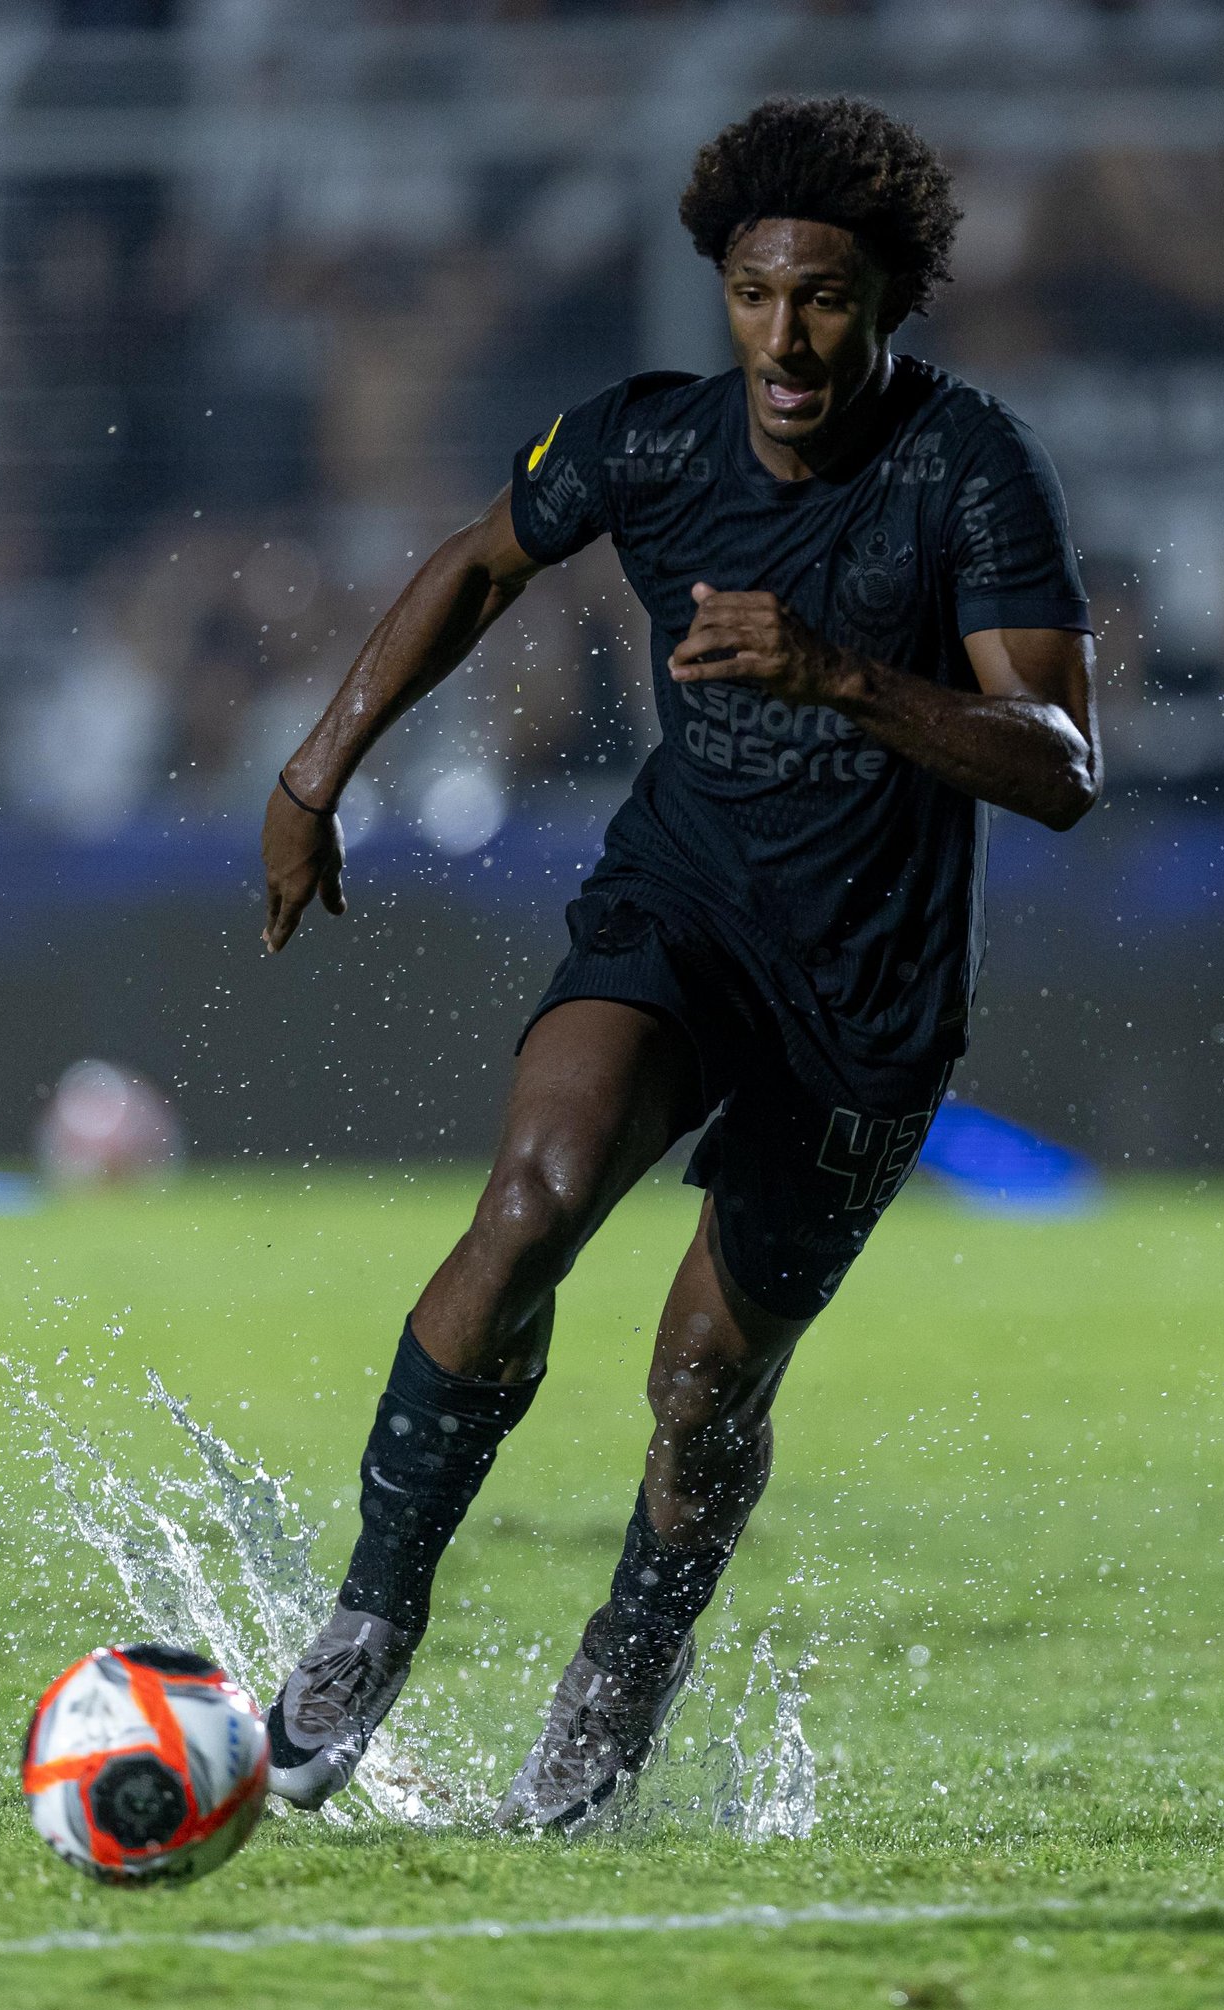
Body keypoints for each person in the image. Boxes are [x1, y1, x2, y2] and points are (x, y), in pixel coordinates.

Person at [257, 95, 1100, 1832]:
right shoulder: (648, 443)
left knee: (706, 1379)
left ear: (889, 302)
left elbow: (1066, 765)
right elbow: (480, 562)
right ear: (722, 292)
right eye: (756, 295)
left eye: (828, 300)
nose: (787, 339)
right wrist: (315, 768)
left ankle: (625, 1665)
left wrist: (845, 679)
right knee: (529, 1206)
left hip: (865, 993)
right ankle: (371, 1615)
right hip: (680, 913)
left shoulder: (970, 469)